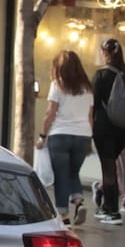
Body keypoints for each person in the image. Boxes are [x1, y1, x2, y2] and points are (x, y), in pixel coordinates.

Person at [35, 50, 93, 226]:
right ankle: (79, 202)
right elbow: (90, 117)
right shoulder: (87, 88)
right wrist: (90, 140)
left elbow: (50, 113)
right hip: (83, 136)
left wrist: (42, 136)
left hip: (60, 135)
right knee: (73, 172)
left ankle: (64, 216)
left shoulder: (57, 85)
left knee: (61, 176)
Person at [91, 37, 125, 225]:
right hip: (123, 129)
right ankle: (107, 207)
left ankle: (112, 211)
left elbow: (93, 104)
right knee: (111, 167)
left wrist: (90, 127)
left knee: (108, 169)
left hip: (105, 127)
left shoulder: (101, 75)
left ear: (105, 53)